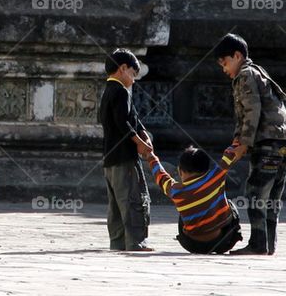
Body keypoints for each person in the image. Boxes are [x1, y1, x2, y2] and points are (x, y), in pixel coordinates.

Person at [214, 33, 286, 255]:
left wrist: (244, 144)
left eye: (225, 63)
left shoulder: (245, 75)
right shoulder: (258, 72)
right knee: (273, 197)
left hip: (268, 142)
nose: (225, 69)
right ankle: (268, 244)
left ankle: (258, 244)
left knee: (256, 194)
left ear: (237, 55)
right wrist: (237, 139)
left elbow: (252, 111)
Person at [131, 133, 243, 254]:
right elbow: (229, 155)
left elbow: (160, 175)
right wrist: (238, 140)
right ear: (206, 169)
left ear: (180, 170)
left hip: (192, 245)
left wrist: (150, 155)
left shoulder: (175, 190)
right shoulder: (215, 176)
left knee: (184, 211)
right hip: (222, 242)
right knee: (231, 205)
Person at [97, 48, 152, 251]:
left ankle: (118, 242)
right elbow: (123, 123)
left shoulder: (108, 91)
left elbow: (133, 118)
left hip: (109, 158)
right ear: (123, 69)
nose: (134, 80)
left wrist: (142, 132)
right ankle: (136, 242)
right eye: (133, 74)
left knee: (116, 206)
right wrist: (139, 142)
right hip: (124, 158)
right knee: (132, 200)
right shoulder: (120, 90)